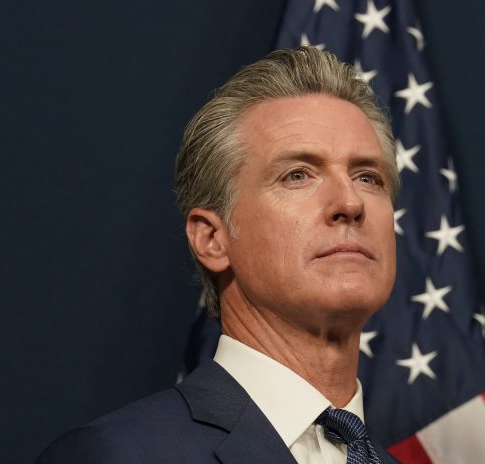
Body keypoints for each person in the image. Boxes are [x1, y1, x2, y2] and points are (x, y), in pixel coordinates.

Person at [37, 46, 400, 464]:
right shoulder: (116, 454)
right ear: (212, 238)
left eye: (368, 178)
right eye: (297, 175)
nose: (350, 203)